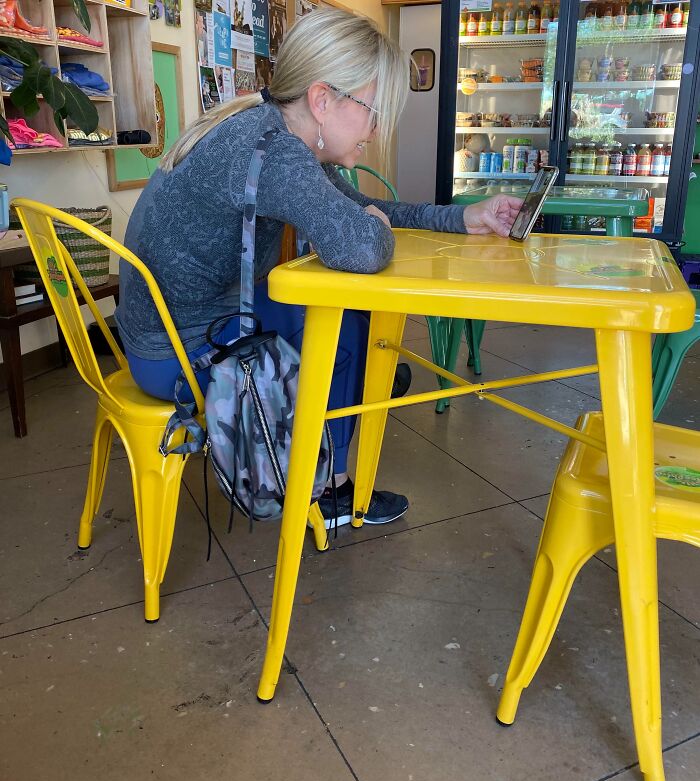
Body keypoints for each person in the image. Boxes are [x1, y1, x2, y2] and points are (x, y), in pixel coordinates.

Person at [115, 8, 521, 530]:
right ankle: (329, 487)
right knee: (346, 315)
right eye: (373, 112)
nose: (375, 131)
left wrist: (464, 217)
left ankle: (349, 391)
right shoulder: (275, 152)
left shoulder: (264, 126)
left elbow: (364, 212)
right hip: (175, 354)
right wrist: (369, 225)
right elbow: (362, 247)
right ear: (323, 99)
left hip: (163, 330)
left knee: (336, 317)